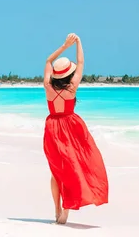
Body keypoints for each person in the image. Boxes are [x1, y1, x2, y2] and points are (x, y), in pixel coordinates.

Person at [43, 33, 109, 224]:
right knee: (74, 166)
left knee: (56, 171)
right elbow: (80, 63)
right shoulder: (72, 87)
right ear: (68, 74)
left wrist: (64, 46)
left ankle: (57, 210)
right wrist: (77, 42)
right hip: (71, 126)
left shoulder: (48, 87)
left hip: (53, 127)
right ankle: (66, 207)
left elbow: (48, 60)